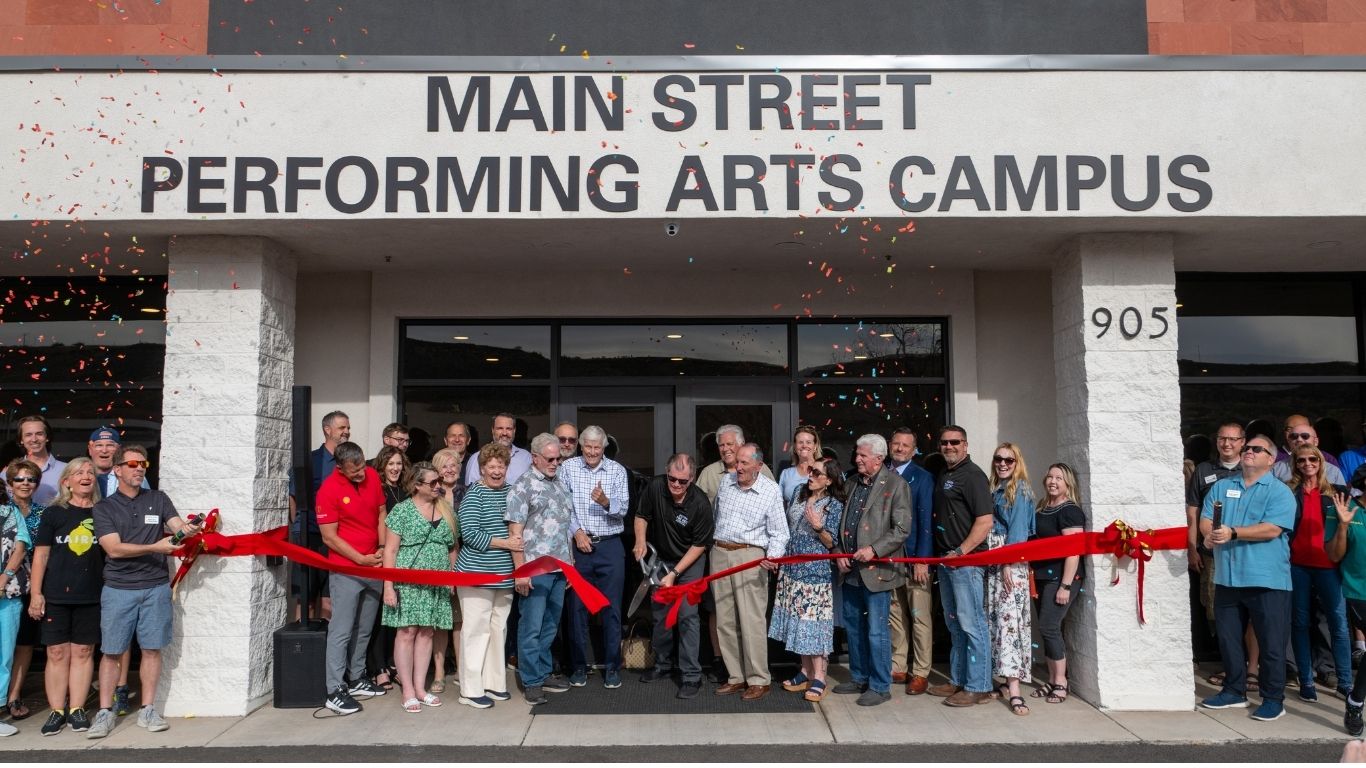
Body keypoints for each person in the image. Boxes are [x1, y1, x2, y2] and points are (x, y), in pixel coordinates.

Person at [86, 444, 201, 739]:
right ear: (117, 470)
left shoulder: (158, 498)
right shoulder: (104, 508)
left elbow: (176, 526)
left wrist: (188, 529)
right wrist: (155, 547)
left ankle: (148, 709)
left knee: (152, 649)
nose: (139, 469)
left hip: (155, 586)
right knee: (112, 651)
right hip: (119, 588)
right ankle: (104, 712)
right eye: (133, 464)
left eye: (143, 464)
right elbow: (114, 549)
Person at [1199, 433, 1296, 722]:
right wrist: (1209, 535)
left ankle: (1274, 699)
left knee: (1271, 643)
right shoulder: (1223, 486)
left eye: (1257, 449)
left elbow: (1272, 529)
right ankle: (1234, 691)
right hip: (1228, 577)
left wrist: (1233, 532)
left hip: (1267, 580)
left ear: (1271, 459)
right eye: (1248, 448)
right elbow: (1206, 518)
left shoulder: (1280, 491)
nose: (1249, 451)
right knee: (1229, 639)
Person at [826, 434, 911, 707]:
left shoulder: (896, 485)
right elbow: (841, 522)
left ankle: (880, 685)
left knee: (876, 631)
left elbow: (901, 529)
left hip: (877, 571)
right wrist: (839, 552)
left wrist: (874, 549)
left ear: (879, 458)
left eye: (863, 455)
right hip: (851, 570)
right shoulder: (852, 482)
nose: (857, 459)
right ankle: (859, 677)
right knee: (854, 628)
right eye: (857, 454)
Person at [31, 459, 103, 736]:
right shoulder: (54, 514)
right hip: (56, 594)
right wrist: (36, 593)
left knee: (83, 652)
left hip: (92, 595)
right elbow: (41, 556)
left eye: (90, 472)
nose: (86, 476)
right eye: (79, 472)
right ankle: (56, 710)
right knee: (57, 652)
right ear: (66, 482)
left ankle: (77, 709)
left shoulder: (103, 513)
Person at [712, 443, 788, 701]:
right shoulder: (726, 482)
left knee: (751, 619)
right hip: (720, 552)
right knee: (725, 620)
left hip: (750, 555)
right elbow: (716, 515)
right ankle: (736, 676)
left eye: (744, 463)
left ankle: (758, 679)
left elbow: (780, 532)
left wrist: (772, 558)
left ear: (758, 465)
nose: (738, 467)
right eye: (737, 462)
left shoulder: (770, 490)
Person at [635, 453, 715, 699]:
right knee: (660, 614)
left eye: (682, 481)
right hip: (661, 559)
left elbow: (699, 545)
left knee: (687, 616)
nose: (676, 484)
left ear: (691, 479)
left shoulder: (700, 503)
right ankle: (662, 664)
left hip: (689, 561)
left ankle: (691, 675)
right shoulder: (656, 486)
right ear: (666, 474)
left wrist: (675, 573)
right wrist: (640, 541)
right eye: (672, 479)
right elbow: (641, 516)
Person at [317, 442, 388, 717]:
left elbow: (381, 512)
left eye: (361, 467)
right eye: (354, 470)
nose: (360, 474)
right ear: (339, 467)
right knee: (342, 629)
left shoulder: (371, 475)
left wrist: (381, 547)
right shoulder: (328, 490)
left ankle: (357, 676)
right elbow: (329, 537)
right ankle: (334, 689)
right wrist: (359, 559)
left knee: (365, 626)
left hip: (374, 564)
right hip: (346, 569)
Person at [381, 461, 458, 713]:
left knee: (427, 632)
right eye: (433, 482)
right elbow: (390, 551)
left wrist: (452, 578)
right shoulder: (402, 511)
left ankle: (420, 688)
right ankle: (407, 690)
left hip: (437, 582)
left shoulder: (445, 509)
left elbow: (452, 548)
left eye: (439, 481)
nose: (438, 486)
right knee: (407, 632)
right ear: (416, 485)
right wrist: (388, 586)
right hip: (408, 582)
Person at [928, 426, 995, 707]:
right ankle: (958, 680)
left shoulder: (973, 476)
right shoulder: (946, 473)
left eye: (955, 442)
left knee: (972, 624)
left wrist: (960, 552)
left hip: (966, 563)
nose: (949, 446)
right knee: (955, 625)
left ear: (965, 445)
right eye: (944, 442)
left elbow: (985, 521)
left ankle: (979, 686)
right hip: (947, 562)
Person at [506, 434, 575, 705]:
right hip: (534, 569)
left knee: (550, 626)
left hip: (560, 567)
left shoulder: (559, 483)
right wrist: (520, 571)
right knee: (531, 627)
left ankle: (544, 672)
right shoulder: (523, 486)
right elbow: (515, 533)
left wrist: (570, 564)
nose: (555, 463)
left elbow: (564, 527)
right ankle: (531, 680)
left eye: (558, 458)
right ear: (534, 457)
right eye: (550, 458)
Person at [769, 456, 845, 703]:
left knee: (813, 623)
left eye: (817, 473)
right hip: (792, 567)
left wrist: (818, 527)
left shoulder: (833, 504)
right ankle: (805, 671)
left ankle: (820, 676)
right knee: (797, 620)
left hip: (814, 572)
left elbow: (832, 543)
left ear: (829, 480)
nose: (810, 475)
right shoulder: (799, 494)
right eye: (811, 470)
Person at [559, 425, 630, 689]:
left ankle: (612, 667)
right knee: (576, 609)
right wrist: (576, 532)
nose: (591, 452)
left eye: (596, 447)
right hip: (580, 547)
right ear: (580, 446)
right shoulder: (568, 468)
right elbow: (563, 507)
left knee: (612, 609)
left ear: (604, 448)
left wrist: (605, 502)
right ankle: (579, 666)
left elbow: (624, 509)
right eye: (587, 446)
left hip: (610, 546)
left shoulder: (617, 470)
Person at [1187, 422, 1254, 690]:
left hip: (1245, 551)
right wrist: (1192, 547)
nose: (1227, 444)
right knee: (1216, 610)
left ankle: (1249, 668)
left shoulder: (1250, 468)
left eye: (1232, 439)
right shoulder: (1204, 470)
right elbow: (1193, 511)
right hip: (1213, 554)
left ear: (1243, 442)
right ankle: (1231, 665)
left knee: (1249, 609)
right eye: (1222, 439)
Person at [455, 443, 522, 709]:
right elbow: (470, 534)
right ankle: (470, 690)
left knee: (498, 629)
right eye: (491, 466)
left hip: (504, 575)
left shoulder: (512, 492)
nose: (496, 471)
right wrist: (506, 543)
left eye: (501, 466)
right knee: (475, 630)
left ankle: (494, 683)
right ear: (482, 469)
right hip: (476, 574)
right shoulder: (474, 494)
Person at [1287, 445, 1353, 701]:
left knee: (1338, 624)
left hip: (1329, 566)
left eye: (1312, 459)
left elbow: (1349, 527)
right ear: (1295, 464)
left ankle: (1345, 681)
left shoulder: (1337, 492)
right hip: (1298, 565)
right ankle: (1306, 680)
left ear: (1320, 461)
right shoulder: (1289, 491)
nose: (1307, 463)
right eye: (1301, 460)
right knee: (1300, 623)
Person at [1030, 462, 1087, 705]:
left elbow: (1073, 551)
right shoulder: (1043, 507)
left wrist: (1065, 585)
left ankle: (1062, 681)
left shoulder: (1070, 511)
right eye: (1050, 477)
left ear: (1067, 483)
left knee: (1049, 627)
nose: (1052, 481)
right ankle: (1052, 679)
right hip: (1042, 577)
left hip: (1061, 578)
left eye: (1059, 478)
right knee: (1046, 629)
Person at [288, 410, 350, 621]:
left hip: (340, 538)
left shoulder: (350, 462)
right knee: (306, 599)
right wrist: (301, 526)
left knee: (329, 599)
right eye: (342, 427)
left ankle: (328, 642)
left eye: (348, 428)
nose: (346, 432)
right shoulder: (311, 461)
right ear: (327, 430)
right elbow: (294, 499)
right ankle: (302, 640)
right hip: (311, 536)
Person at [988, 442, 1035, 716]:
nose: (1003, 464)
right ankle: (1005, 682)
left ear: (1017, 463)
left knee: (1010, 625)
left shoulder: (1021, 490)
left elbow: (1018, 532)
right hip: (995, 561)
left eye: (1009, 460)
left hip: (1010, 561)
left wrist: (1008, 562)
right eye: (999, 459)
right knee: (997, 622)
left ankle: (1015, 691)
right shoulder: (996, 488)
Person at [887, 426, 934, 694]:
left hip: (915, 555)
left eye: (906, 445)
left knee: (919, 616)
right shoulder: (883, 474)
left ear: (914, 450)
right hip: (889, 557)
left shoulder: (923, 478)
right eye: (897, 444)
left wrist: (922, 559)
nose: (900, 449)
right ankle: (899, 665)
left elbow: (926, 520)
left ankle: (920, 671)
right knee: (895, 613)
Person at [1, 458, 43, 722]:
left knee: (24, 643)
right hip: (6, 584)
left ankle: (13, 696)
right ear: (10, 482)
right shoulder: (3, 509)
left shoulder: (43, 513)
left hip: (30, 585)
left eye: (31, 479)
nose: (25, 483)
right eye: (20, 479)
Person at [369, 445, 411, 691]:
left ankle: (393, 664)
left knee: (396, 616)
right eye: (390, 464)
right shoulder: (377, 490)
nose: (395, 468)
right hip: (384, 554)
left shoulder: (406, 491)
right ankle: (378, 668)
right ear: (382, 466)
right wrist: (382, 548)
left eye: (398, 464)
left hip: (403, 558)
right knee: (379, 616)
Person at [1328, 472, 1366, 736]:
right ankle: (1355, 702)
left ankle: (1355, 700)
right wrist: (1342, 526)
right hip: (1359, 590)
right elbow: (1334, 555)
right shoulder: (1345, 508)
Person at [696, 425, 774, 504]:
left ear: (742, 444)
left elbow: (774, 497)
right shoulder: (709, 473)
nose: (725, 449)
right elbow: (696, 503)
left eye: (729, 444)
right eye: (721, 445)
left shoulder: (759, 468)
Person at [464, 413, 532, 486]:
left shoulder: (526, 457)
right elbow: (471, 490)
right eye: (500, 428)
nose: (504, 433)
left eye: (509, 429)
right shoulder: (477, 458)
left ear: (514, 431)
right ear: (493, 430)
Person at [14, 415, 65, 507]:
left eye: (39, 434)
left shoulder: (66, 470)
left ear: (47, 437)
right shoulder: (10, 472)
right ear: (21, 440)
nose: (34, 439)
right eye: (28, 435)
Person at [1273, 422, 1345, 484]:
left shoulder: (1332, 471)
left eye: (1305, 436)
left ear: (1316, 441)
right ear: (1289, 441)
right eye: (1294, 436)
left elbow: (1342, 495)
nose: (1299, 439)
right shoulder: (1276, 469)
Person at [777, 425, 822, 506]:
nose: (804, 445)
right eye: (800, 442)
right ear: (795, 447)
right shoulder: (786, 474)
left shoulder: (823, 470)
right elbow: (778, 503)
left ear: (815, 446)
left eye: (808, 442)